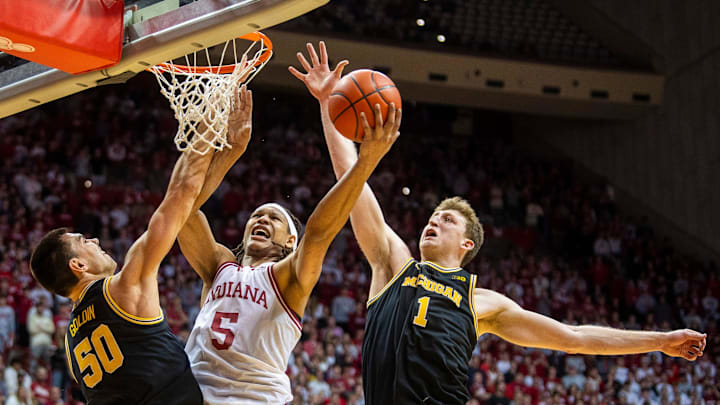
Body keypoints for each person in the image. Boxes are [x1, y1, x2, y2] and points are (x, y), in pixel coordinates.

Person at [291, 41, 708, 405]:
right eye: (433, 217)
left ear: (467, 244)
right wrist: (329, 107)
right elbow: (354, 184)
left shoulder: (481, 302)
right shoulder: (393, 264)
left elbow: (573, 338)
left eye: (447, 219)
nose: (433, 221)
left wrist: (661, 342)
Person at [177, 75, 400, 404]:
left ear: (290, 242)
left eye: (273, 218)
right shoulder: (218, 266)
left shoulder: (289, 277)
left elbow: (319, 232)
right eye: (256, 215)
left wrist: (366, 162)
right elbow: (181, 211)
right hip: (193, 395)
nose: (261, 219)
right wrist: (231, 152)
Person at [27, 96, 224, 403]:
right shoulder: (123, 287)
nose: (94, 241)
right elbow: (180, 194)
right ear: (78, 265)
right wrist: (211, 121)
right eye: (83, 240)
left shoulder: (71, 339)